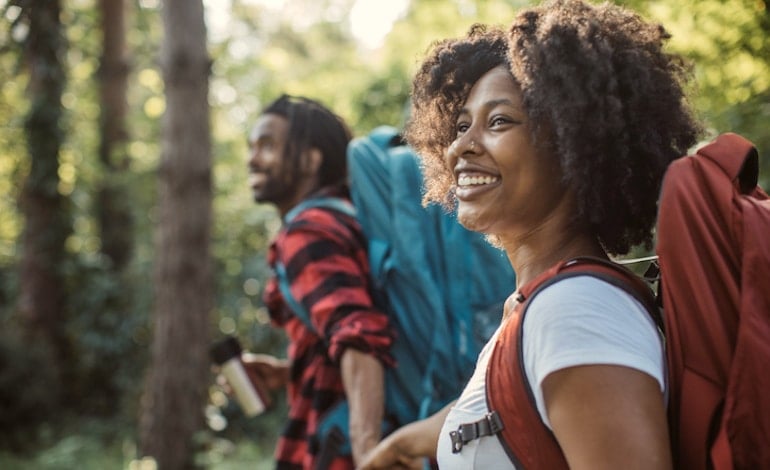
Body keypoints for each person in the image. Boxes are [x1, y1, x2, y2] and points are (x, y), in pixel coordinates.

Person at [359, 0, 702, 468]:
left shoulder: (574, 311)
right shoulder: (538, 306)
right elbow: (509, 410)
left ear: (574, 143)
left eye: (499, 121)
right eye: (461, 126)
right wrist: (399, 445)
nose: (461, 146)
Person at [240, 94, 394, 469]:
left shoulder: (307, 231)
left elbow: (358, 335)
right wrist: (287, 372)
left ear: (311, 160)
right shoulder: (348, 216)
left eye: (267, 146)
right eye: (252, 146)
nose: (252, 159)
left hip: (343, 448)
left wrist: (368, 453)